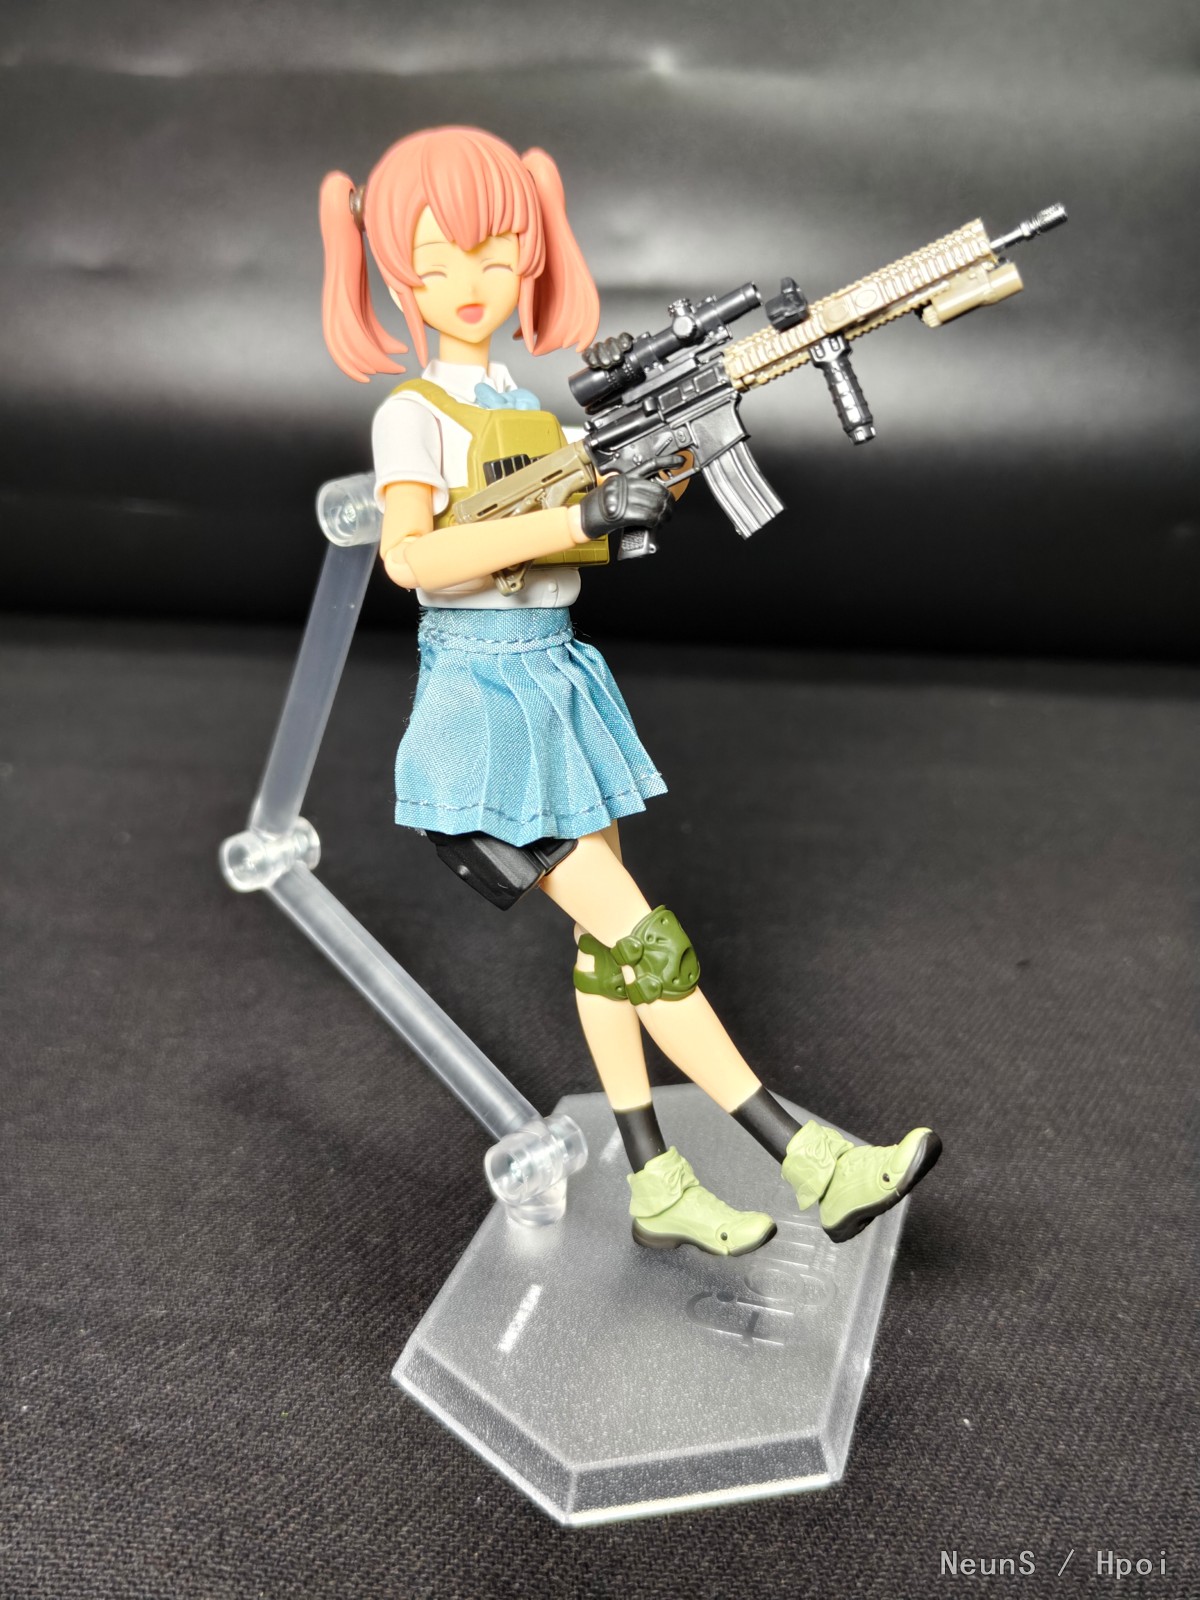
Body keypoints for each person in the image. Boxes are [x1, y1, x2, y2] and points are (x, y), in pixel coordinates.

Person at [319, 125, 940, 1255]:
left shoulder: (530, 413)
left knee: (608, 954)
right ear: (400, 277)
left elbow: (579, 536)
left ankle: (656, 1185)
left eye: (496, 255)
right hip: (482, 712)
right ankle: (813, 1160)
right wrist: (579, 512)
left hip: (556, 683)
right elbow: (412, 559)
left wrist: (663, 468)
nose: (472, 283)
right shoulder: (413, 415)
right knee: (647, 942)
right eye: (439, 261)